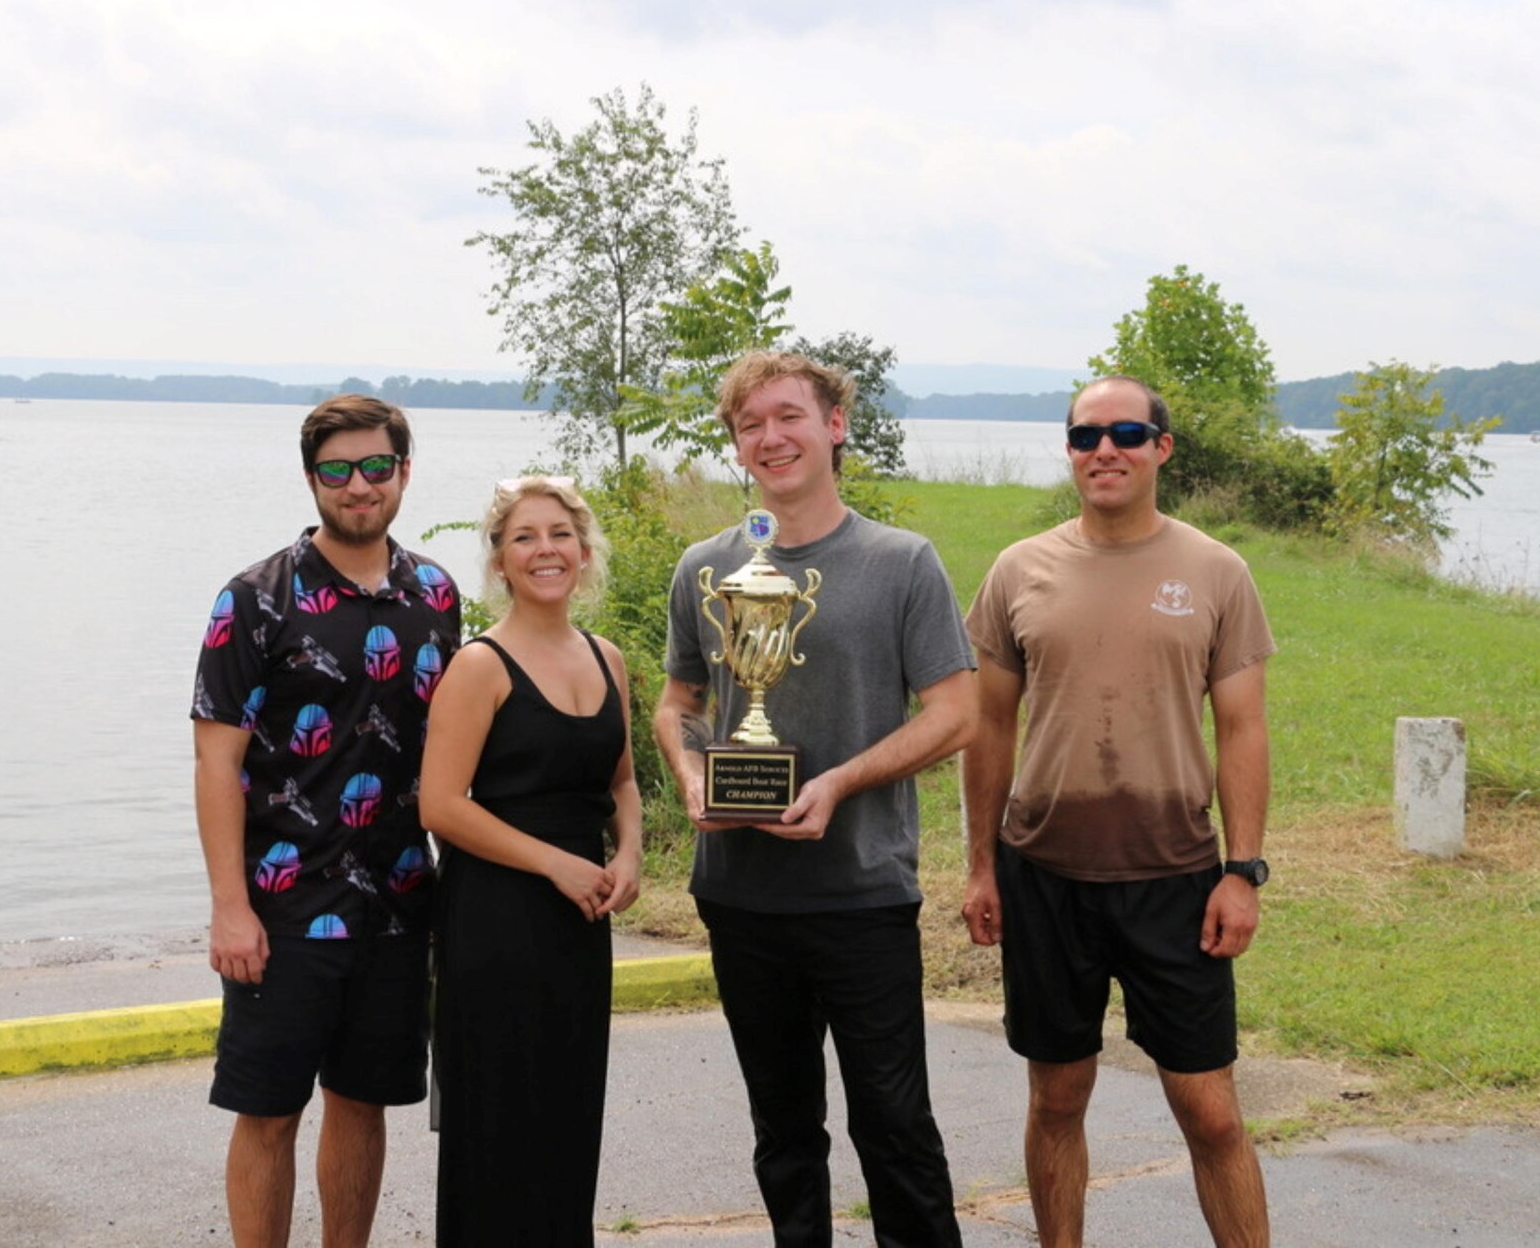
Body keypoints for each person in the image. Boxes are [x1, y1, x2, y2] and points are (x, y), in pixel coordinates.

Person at [654, 350, 978, 1247]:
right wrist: (691, 775)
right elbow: (678, 705)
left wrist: (840, 780)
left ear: (835, 425)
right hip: (740, 893)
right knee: (783, 1135)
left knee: (895, 1126)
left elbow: (956, 713)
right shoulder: (705, 567)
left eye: (789, 415)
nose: (771, 436)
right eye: (750, 424)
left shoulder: (901, 562)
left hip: (862, 892)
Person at [960, 374, 1276, 1248]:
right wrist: (981, 865)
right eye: (1085, 435)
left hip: (1175, 877)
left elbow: (1243, 727)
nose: (1105, 449)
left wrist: (1242, 871)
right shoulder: (1019, 569)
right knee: (1057, 1098)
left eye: (1128, 433)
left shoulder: (1217, 570)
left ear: (1161, 449)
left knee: (1210, 1112)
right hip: (1045, 875)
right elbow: (987, 725)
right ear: (1068, 449)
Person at [191, 394, 462, 1248]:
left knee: (363, 1099)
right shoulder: (255, 599)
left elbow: (453, 753)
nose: (358, 486)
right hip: (283, 899)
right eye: (337, 470)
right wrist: (230, 904)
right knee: (268, 1110)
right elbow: (215, 764)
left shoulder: (437, 596)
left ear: (403, 473)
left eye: (376, 467)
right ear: (312, 478)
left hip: (396, 897)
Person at [420, 474, 643, 1246]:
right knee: (500, 1125)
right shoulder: (479, 665)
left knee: (567, 1113)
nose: (544, 549)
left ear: (584, 550)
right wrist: (556, 863)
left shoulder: (607, 657)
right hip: (495, 920)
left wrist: (632, 852)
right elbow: (441, 805)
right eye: (524, 537)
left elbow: (621, 778)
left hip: (579, 922)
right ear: (501, 561)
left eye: (558, 533)